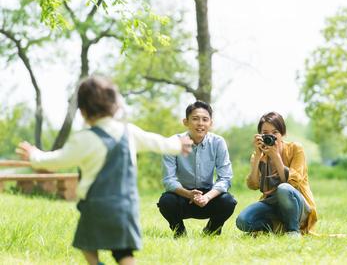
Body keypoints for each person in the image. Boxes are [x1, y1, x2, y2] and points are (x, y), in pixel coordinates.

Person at [16, 76, 193, 265]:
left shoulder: (84, 139)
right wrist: (177, 144)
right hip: (126, 205)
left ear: (82, 111)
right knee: (124, 252)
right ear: (115, 105)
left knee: (87, 245)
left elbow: (58, 160)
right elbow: (156, 142)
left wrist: (35, 155)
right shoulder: (129, 132)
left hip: (96, 205)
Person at [157, 100, 237, 238]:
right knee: (166, 201)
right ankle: (180, 233)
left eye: (205, 119)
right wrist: (188, 194)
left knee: (228, 201)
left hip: (208, 196)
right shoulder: (173, 143)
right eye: (195, 119)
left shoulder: (218, 143)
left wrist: (207, 197)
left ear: (210, 123)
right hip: (182, 195)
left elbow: (225, 178)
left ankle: (211, 231)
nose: (200, 123)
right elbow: (168, 180)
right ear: (185, 122)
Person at [236, 111, 317, 237]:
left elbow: (293, 182)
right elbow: (253, 185)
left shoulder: (295, 149)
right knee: (242, 221)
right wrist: (257, 156)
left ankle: (293, 230)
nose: (271, 137)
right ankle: (274, 228)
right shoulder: (258, 155)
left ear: (282, 133)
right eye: (265, 134)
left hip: (297, 204)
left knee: (283, 188)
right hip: (272, 204)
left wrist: (276, 157)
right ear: (260, 136)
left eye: (275, 133)